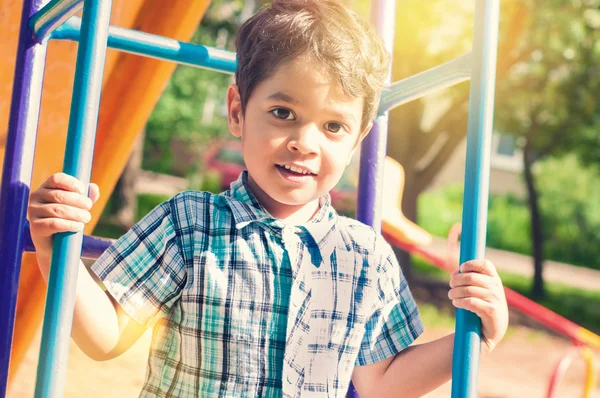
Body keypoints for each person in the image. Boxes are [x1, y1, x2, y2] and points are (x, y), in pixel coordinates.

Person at [27, 1, 509, 396]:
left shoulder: (366, 257)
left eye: (333, 126)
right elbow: (107, 337)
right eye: (283, 112)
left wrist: (479, 335)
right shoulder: (190, 224)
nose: (305, 142)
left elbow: (382, 382)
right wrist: (55, 250)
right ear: (237, 111)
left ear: (358, 137)